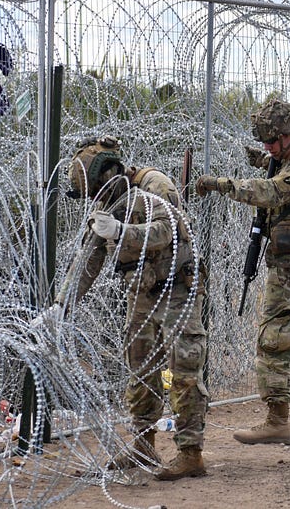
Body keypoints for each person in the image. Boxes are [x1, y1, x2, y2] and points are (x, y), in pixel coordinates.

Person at [60, 135, 209, 480]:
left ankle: (191, 454)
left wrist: (123, 229)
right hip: (141, 293)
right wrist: (62, 305)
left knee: (183, 372)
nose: (95, 199)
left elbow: (166, 232)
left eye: (96, 190)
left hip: (175, 290)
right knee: (140, 369)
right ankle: (143, 443)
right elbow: (89, 258)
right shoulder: (109, 203)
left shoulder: (155, 186)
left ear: (108, 173)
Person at [195, 99, 290, 444]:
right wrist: (259, 158)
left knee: (273, 342)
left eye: (271, 141)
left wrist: (221, 184)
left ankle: (276, 420)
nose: (267, 148)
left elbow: (271, 191)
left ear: (288, 136)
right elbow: (272, 169)